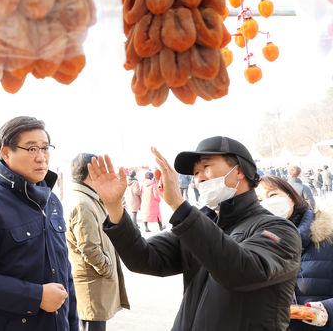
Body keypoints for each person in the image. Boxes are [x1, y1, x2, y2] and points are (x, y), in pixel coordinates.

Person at [89, 136, 302, 330]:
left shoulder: (279, 229)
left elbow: (241, 272)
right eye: (196, 173)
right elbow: (144, 258)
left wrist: (179, 206)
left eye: (206, 167)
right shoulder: (204, 221)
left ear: (239, 171)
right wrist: (115, 207)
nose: (198, 179)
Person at [0, 116, 78, 330]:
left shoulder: (51, 200)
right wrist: (37, 296)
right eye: (31, 149)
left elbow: (64, 275)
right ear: (5, 152)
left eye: (45, 148)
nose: (41, 158)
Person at [256, 176, 333, 329]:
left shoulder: (328, 239)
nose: (266, 203)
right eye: (257, 201)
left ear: (291, 197)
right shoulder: (252, 246)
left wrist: (326, 310)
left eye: (272, 195)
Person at [67, 153, 129, 331]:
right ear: (90, 172)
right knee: (92, 326)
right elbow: (89, 247)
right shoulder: (83, 203)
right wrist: (107, 269)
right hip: (91, 285)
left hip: (94, 283)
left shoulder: (88, 198)